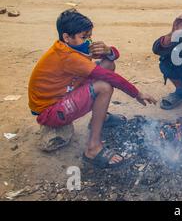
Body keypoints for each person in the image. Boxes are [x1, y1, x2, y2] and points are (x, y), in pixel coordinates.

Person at [28, 9, 157, 168]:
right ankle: (93, 148)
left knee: (108, 64)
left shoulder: (74, 46)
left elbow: (112, 58)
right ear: (66, 37)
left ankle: (101, 117)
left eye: (90, 36)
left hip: (64, 93)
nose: (89, 41)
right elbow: (109, 78)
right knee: (104, 86)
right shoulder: (67, 56)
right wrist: (137, 94)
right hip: (50, 112)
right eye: (84, 37)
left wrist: (109, 50)